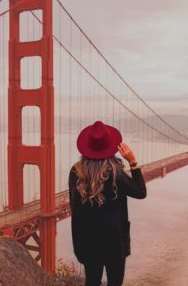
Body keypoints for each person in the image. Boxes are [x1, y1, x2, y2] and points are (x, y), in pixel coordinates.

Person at [68, 120, 147, 286]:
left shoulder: (76, 172)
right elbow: (140, 192)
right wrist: (133, 162)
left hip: (88, 242)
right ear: (109, 147)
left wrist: (78, 246)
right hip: (115, 242)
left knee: (92, 281)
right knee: (115, 283)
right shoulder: (115, 173)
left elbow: (75, 210)